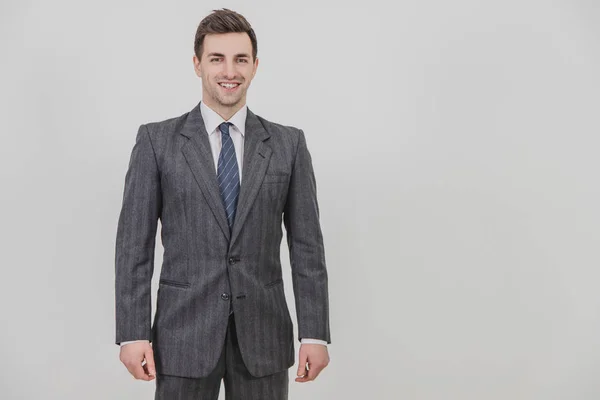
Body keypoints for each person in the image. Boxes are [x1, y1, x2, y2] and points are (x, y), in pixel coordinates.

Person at [114, 8, 331, 399]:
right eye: (217, 59)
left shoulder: (288, 145)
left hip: (263, 335)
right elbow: (134, 246)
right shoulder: (156, 142)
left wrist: (314, 333)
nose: (229, 71)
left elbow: (307, 247)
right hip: (183, 334)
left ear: (255, 66)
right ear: (198, 65)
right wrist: (132, 333)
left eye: (240, 59)